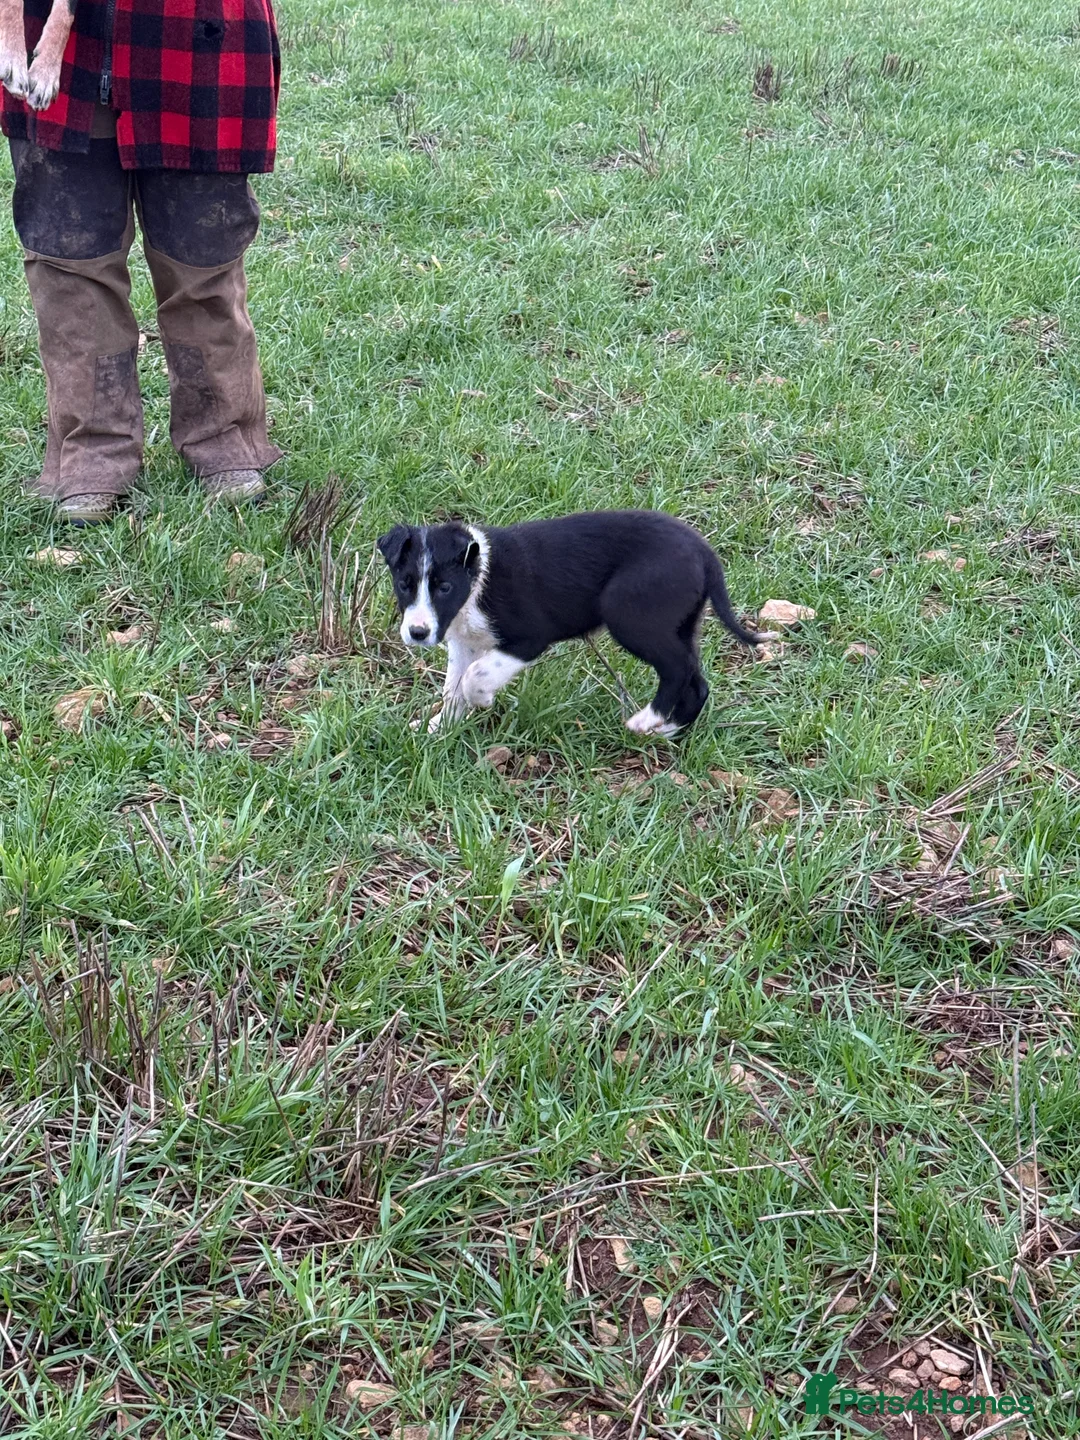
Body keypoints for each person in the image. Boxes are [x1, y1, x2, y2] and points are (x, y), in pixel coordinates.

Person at [2, 0, 282, 524]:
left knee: (203, 250)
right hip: (48, 43)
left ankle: (222, 435)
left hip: (199, 28)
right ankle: (92, 451)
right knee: (69, 250)